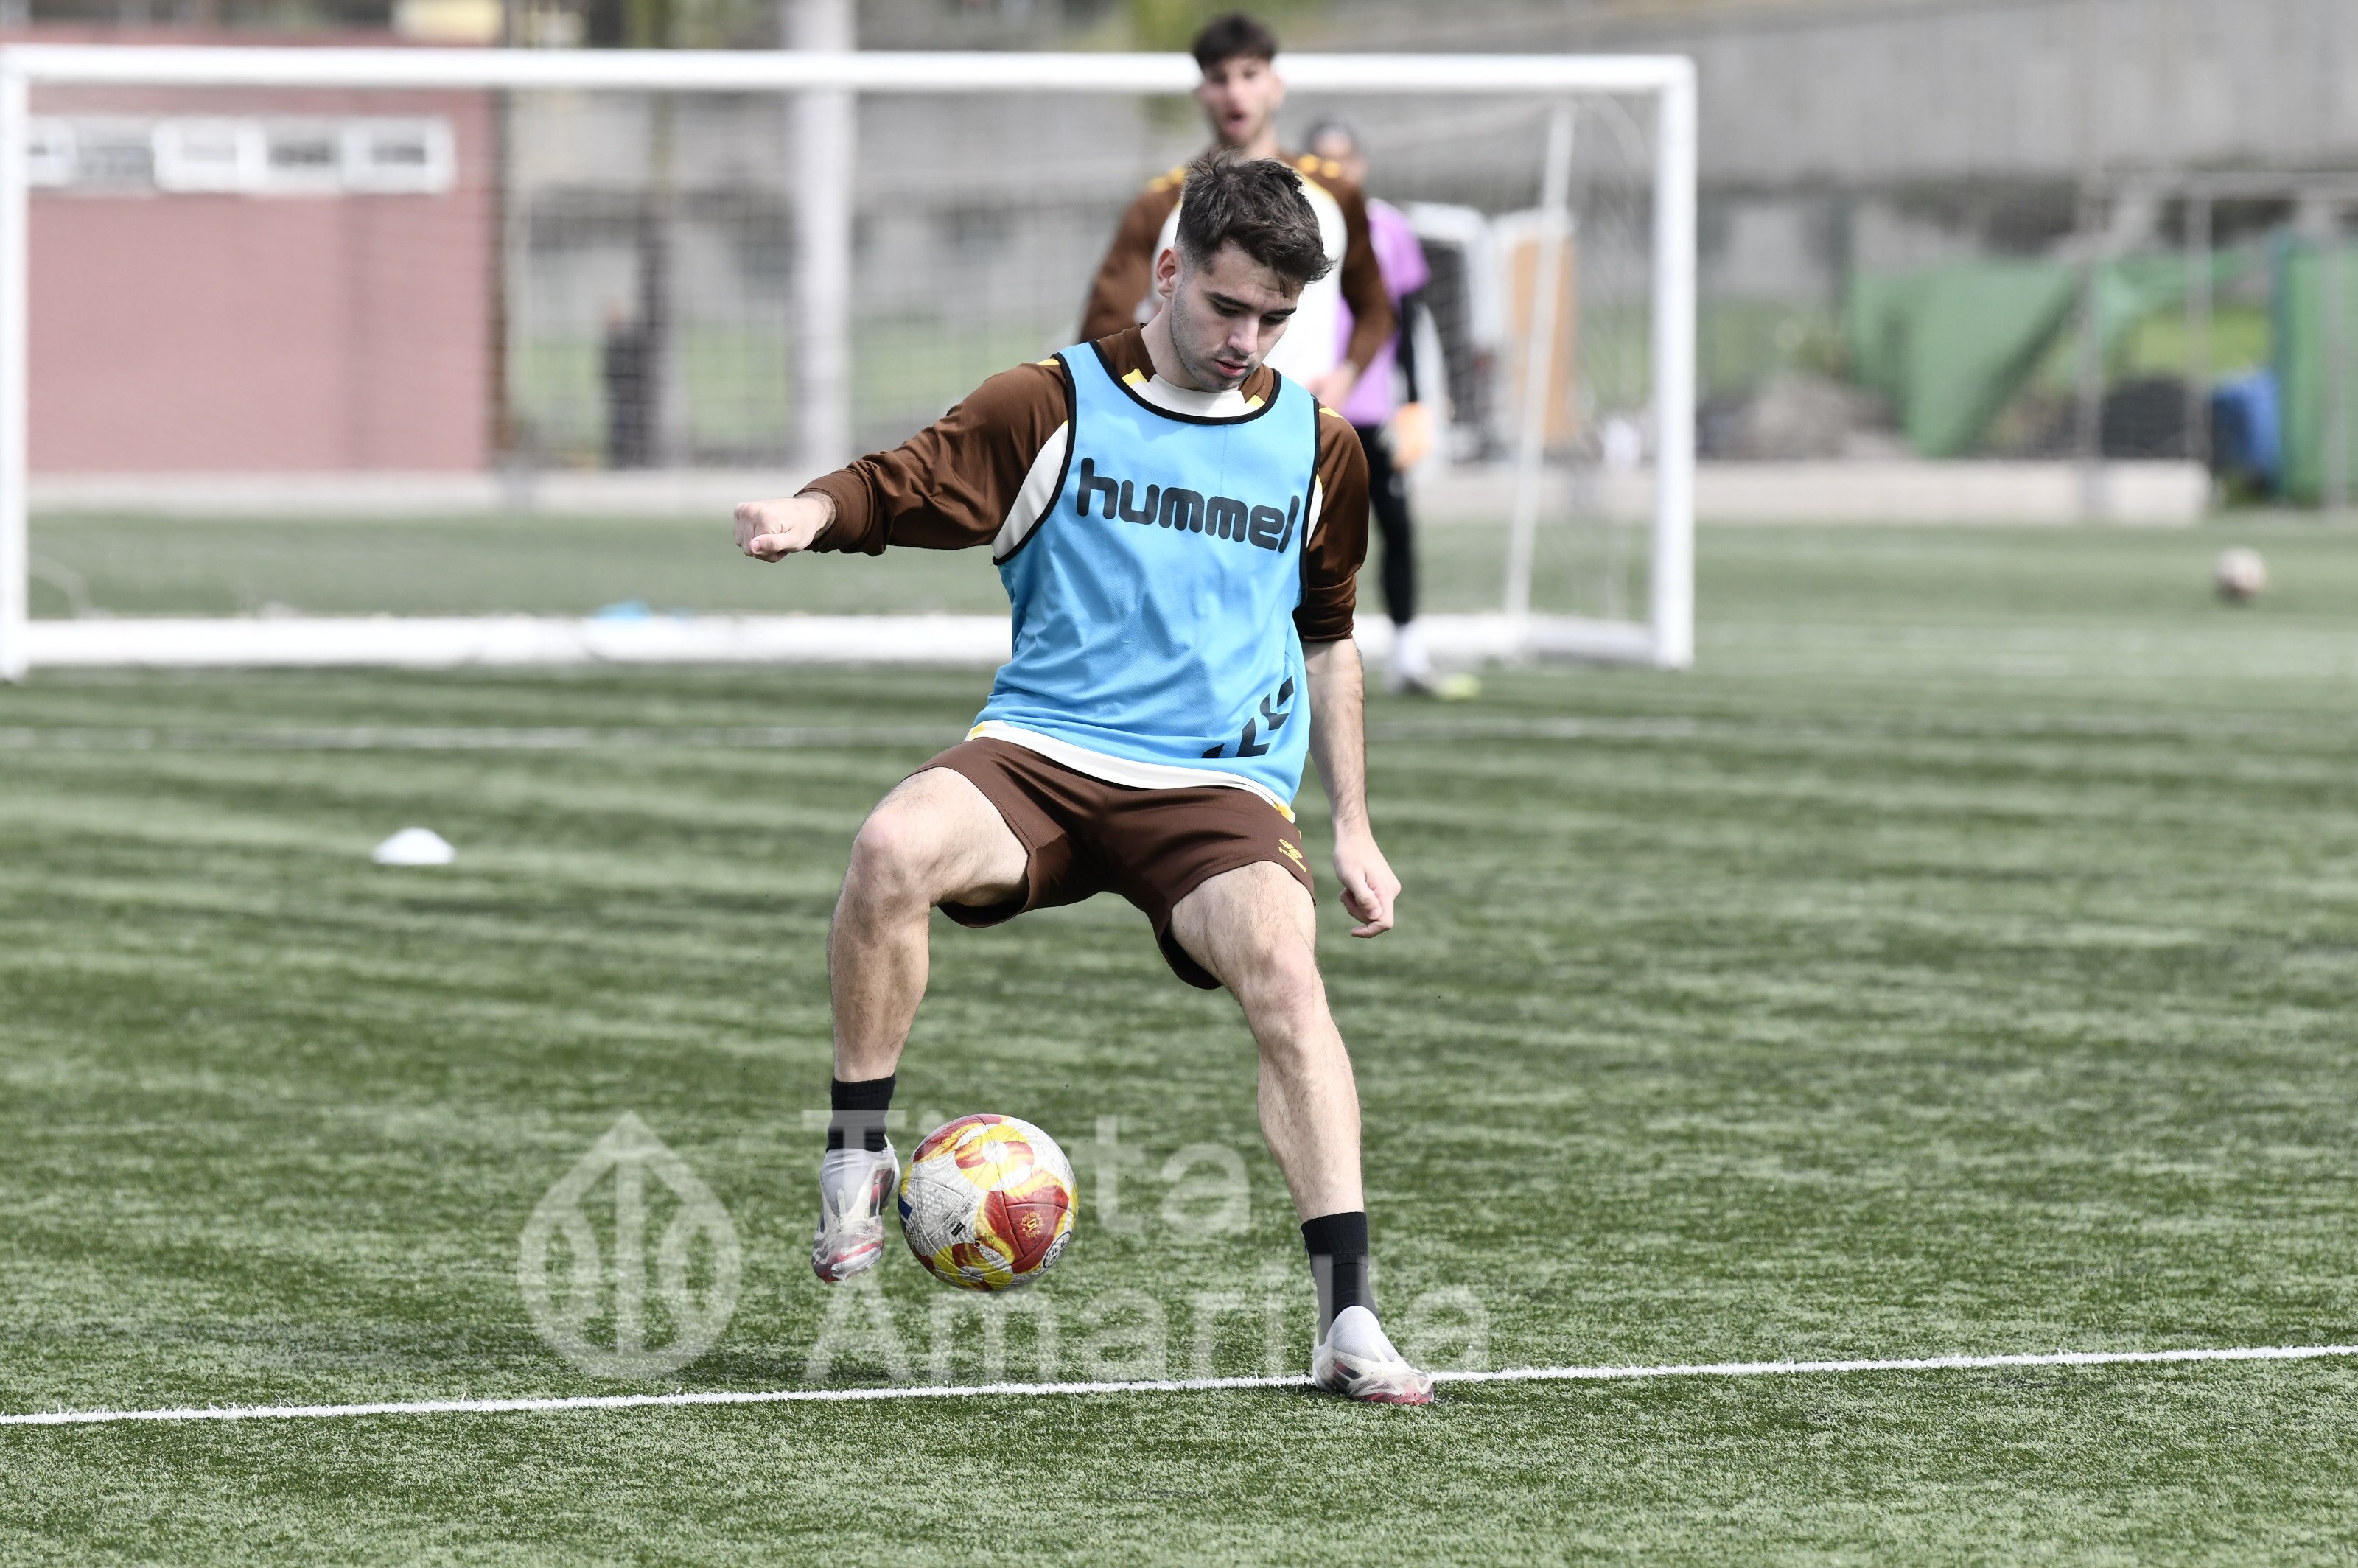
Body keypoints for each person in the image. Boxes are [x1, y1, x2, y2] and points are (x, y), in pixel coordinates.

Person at [735, 151, 1435, 1405]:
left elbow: (1329, 635)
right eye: (1229, 307)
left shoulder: (1320, 447)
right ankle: (856, 1152)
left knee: (1286, 969)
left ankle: (1350, 1319)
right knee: (893, 846)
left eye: (1276, 318)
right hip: (1044, 758)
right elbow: (909, 479)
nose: (1249, 339)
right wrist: (812, 511)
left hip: (1214, 792)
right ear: (1170, 272)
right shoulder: (1051, 401)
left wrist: (1357, 826)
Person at [1079, 12, 1392, 414]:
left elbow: (1376, 305)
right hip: (1183, 425)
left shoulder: (1337, 195)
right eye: (1219, 78)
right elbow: (1102, 328)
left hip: (1296, 426)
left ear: (1276, 87)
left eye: (1249, 74)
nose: (1234, 93)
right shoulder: (1158, 204)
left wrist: (1345, 377)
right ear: (1201, 94)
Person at [1303, 120, 1475, 699]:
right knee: (1300, 540)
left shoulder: (1387, 229)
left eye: (1342, 159)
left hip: (1373, 409)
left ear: (1361, 163)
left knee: (1396, 528)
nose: (1335, 170)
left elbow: (1403, 319)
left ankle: (1408, 655)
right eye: (1321, 160)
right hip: (1309, 409)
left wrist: (1420, 400)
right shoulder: (1294, 225)